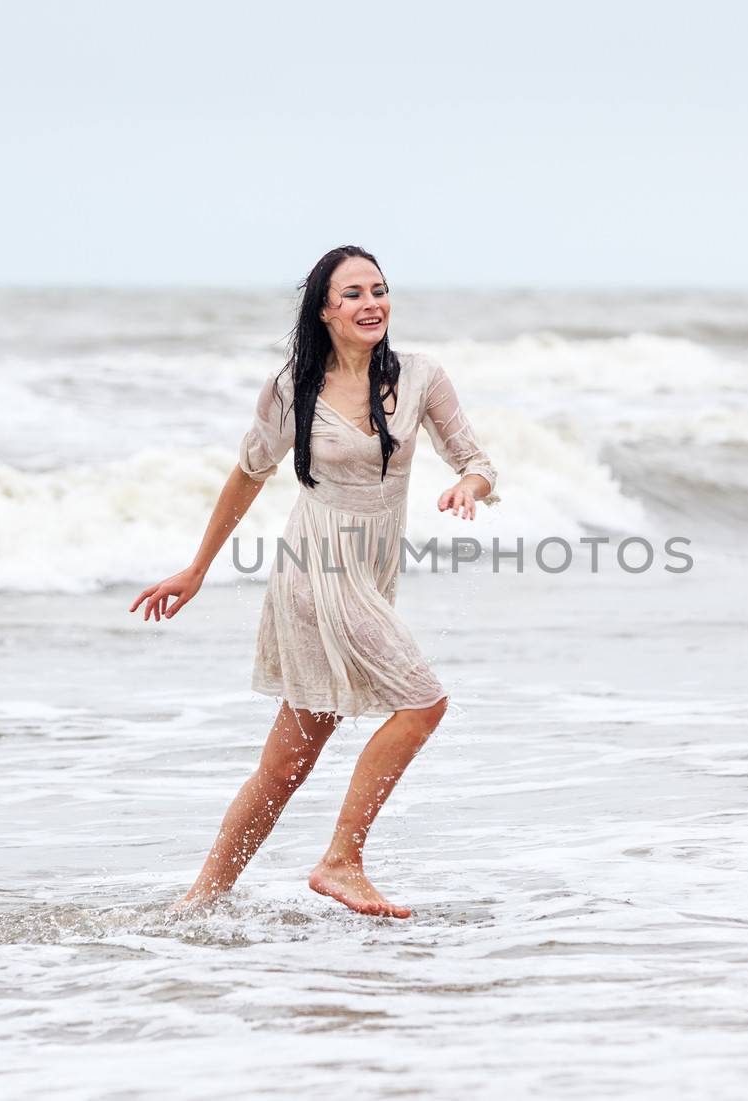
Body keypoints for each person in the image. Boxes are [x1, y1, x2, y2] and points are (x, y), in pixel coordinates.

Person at [130, 245, 499, 919]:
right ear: (325, 311)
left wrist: (468, 489)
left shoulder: (419, 377)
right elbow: (248, 472)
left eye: (379, 290)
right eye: (352, 293)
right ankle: (341, 860)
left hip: (371, 572)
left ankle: (200, 902)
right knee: (424, 703)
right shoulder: (291, 387)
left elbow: (476, 461)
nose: (371, 304)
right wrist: (197, 568)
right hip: (314, 571)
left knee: (286, 766)